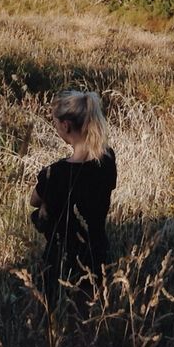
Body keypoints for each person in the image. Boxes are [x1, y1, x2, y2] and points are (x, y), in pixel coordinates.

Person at [29, 90, 117, 306]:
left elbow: (34, 201)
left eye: (56, 123)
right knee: (91, 315)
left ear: (66, 125)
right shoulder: (107, 161)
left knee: (59, 317)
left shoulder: (55, 173)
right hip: (97, 252)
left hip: (62, 259)